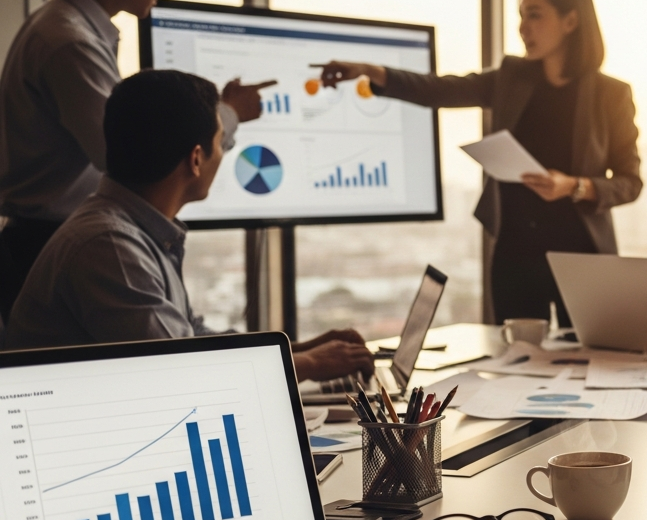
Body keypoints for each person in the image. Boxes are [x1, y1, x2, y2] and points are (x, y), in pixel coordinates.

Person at [5, 69, 374, 384]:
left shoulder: (132, 229)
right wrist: (309, 365)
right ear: (196, 159)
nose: (221, 154)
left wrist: (300, 349)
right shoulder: (110, 246)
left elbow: (192, 338)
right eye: (219, 142)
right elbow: (184, 369)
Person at [0, 0, 268, 321]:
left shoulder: (62, 28)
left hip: (49, 237)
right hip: (47, 240)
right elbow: (134, 154)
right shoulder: (69, 43)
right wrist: (228, 113)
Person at [316, 0, 640, 325]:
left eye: (534, 14)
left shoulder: (611, 94)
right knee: (514, 364)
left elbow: (630, 181)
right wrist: (370, 71)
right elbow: (439, 89)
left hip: (581, 256)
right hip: (515, 253)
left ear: (571, 21)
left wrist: (574, 186)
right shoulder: (511, 77)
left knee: (588, 363)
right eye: (520, 16)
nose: (522, 27)